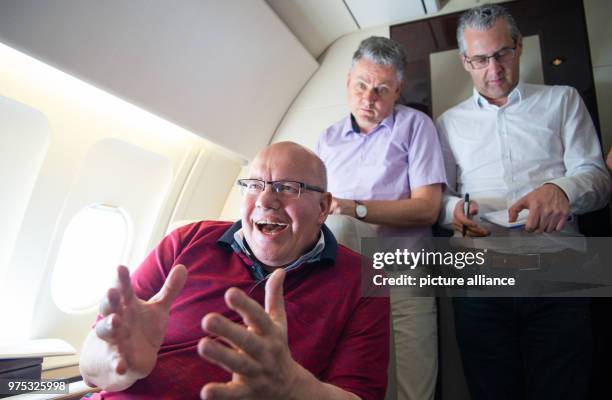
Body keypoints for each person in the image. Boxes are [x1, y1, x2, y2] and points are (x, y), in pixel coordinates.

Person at [79, 141, 390, 400]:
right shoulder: (187, 241)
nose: (266, 201)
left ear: (323, 207)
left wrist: (294, 387)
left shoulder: (362, 278)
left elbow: (359, 395)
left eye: (287, 188)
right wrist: (117, 362)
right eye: (254, 186)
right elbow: (90, 369)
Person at [435, 4, 611, 399]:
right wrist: (454, 213)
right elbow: (440, 199)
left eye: (502, 54)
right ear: (465, 61)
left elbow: (599, 180)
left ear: (519, 47)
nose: (493, 69)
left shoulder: (562, 101)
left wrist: (562, 190)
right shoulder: (447, 124)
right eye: (480, 59)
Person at [316, 36, 446, 400]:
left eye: (381, 89)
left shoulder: (416, 127)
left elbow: (427, 208)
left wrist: (353, 207)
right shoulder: (326, 140)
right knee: (350, 382)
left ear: (398, 89)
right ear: (347, 81)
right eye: (361, 85)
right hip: (346, 279)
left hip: (401, 267)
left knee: (412, 386)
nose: (368, 98)